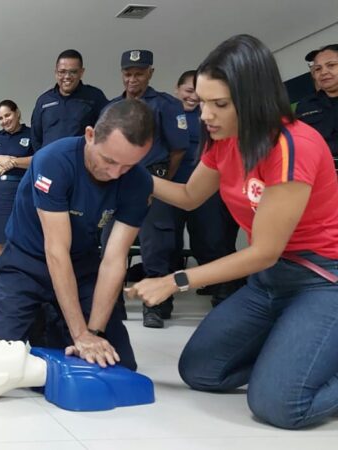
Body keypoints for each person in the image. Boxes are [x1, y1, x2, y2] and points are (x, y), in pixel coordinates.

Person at [125, 34, 338, 430]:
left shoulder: (293, 146)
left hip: (322, 280)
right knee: (202, 371)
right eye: (203, 101)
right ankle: (294, 351)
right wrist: (129, 172)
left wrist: (175, 280)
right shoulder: (225, 141)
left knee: (280, 405)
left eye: (219, 104)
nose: (205, 114)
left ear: (254, 98)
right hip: (269, 283)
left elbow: (264, 252)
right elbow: (189, 195)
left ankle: (299, 358)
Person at [0, 99, 155, 371]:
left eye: (127, 166)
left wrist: (93, 333)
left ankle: (53, 318)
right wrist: (79, 333)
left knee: (119, 364)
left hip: (82, 265)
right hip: (26, 263)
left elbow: (114, 261)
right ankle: (25, 309)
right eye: (109, 160)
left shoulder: (139, 181)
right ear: (90, 136)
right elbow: (55, 251)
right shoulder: (53, 161)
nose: (115, 173)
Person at [105, 49, 189, 328]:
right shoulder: (111, 107)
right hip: (118, 184)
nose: (132, 79)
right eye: (128, 74)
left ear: (150, 73)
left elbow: (177, 150)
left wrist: (160, 184)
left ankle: (155, 305)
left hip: (154, 181)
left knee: (156, 247)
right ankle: (112, 303)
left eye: (139, 74)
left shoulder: (166, 105)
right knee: (110, 245)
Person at [171, 70, 240, 306]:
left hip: (209, 188)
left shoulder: (214, 123)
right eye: (189, 92)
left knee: (212, 238)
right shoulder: (169, 113)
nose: (194, 99)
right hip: (176, 187)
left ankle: (223, 287)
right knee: (172, 241)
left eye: (199, 96)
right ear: (177, 90)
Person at [0, 100, 33, 265]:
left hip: (22, 190)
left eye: (7, 115)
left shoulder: (31, 134)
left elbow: (38, 159)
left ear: (17, 113)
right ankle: (1, 288)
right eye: (0, 118)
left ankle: (20, 287)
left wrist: (13, 162)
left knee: (23, 240)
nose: (4, 121)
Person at [30, 49, 108, 151]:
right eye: (62, 72)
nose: (67, 77)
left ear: (81, 72)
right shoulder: (44, 101)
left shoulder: (94, 97)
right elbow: (36, 137)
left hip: (81, 163)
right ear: (56, 72)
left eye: (73, 72)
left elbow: (106, 131)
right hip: (49, 163)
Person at [297, 44, 338, 165]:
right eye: (318, 69)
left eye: (331, 65)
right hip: (326, 175)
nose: (323, 72)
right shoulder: (305, 105)